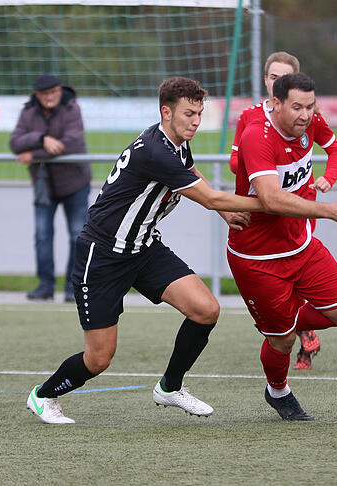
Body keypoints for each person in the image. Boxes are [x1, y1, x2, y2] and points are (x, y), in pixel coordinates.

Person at [26, 77, 268, 424]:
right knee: (99, 359)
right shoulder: (155, 150)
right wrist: (270, 202)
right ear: (166, 112)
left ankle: (169, 387)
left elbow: (189, 171)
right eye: (189, 113)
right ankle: (43, 395)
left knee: (205, 309)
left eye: (199, 114)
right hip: (103, 255)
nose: (195, 122)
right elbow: (210, 196)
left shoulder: (176, 143)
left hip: (143, 248)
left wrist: (226, 211)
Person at [227, 73, 337, 420]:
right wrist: (329, 210)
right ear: (275, 103)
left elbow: (334, 150)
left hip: (301, 245)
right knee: (283, 342)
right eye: (297, 107)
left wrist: (328, 179)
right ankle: (278, 392)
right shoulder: (256, 135)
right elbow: (271, 198)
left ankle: (280, 320)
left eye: (310, 106)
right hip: (257, 257)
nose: (306, 115)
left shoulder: (310, 126)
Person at [229, 51, 337, 370]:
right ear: (267, 82)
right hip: (261, 239)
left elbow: (335, 150)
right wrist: (260, 167)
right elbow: (236, 164)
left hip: (301, 225)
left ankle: (289, 323)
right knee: (281, 332)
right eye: (272, 77)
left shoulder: (306, 119)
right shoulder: (252, 122)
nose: (276, 81)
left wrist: (327, 179)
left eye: (284, 76)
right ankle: (288, 336)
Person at [10, 74, 91, 303]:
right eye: (45, 94)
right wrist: (42, 138)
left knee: (78, 235)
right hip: (44, 186)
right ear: (37, 95)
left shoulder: (72, 108)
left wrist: (33, 153)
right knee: (42, 235)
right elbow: (15, 142)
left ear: (60, 90)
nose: (50, 97)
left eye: (54, 92)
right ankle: (45, 285)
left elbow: (72, 143)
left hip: (75, 183)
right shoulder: (28, 111)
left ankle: (72, 287)